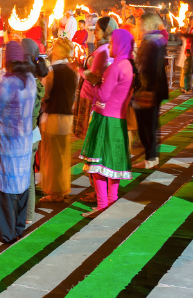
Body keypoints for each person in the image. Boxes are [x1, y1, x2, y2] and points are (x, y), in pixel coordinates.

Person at [80, 30, 135, 218]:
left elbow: (103, 95)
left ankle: (102, 205)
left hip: (104, 119)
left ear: (119, 45)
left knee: (98, 166)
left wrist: (91, 80)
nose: (109, 47)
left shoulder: (115, 67)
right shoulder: (128, 65)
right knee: (113, 166)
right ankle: (112, 202)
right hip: (119, 120)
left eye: (112, 44)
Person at [0, 42, 37, 245]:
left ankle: (5, 233)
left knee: (4, 188)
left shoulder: (8, 83)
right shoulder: (30, 80)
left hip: (8, 144)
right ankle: (17, 228)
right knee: (21, 186)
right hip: (25, 141)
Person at [39, 38, 77, 203]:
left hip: (53, 115)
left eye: (54, 47)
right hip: (67, 115)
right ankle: (63, 188)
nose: (51, 50)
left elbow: (45, 94)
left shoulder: (52, 70)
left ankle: (56, 191)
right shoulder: (72, 70)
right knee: (63, 154)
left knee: (52, 156)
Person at [74, 16, 117, 140]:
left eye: (97, 29)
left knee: (93, 137)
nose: (94, 32)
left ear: (107, 32)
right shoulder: (102, 47)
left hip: (93, 98)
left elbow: (95, 77)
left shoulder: (105, 51)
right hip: (89, 95)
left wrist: (78, 68)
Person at [132, 23, 168, 170]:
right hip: (147, 89)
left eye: (141, 26)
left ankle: (151, 158)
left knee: (147, 126)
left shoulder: (152, 44)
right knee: (146, 125)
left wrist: (148, 90)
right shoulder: (151, 43)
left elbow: (152, 69)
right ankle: (151, 158)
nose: (139, 30)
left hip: (149, 91)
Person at [21, 38, 48, 224]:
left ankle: (24, 214)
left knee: (22, 177)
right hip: (33, 134)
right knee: (28, 175)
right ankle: (29, 214)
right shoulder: (35, 83)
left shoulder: (25, 83)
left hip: (24, 134)